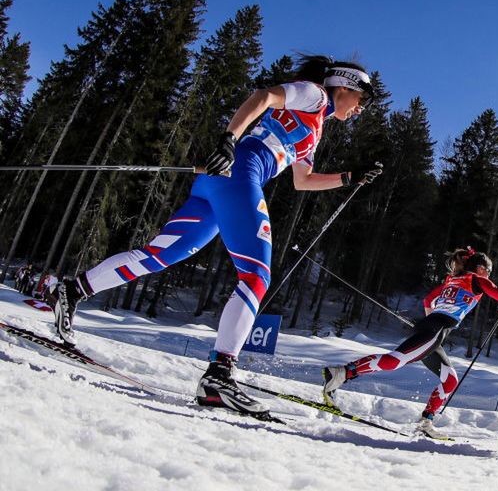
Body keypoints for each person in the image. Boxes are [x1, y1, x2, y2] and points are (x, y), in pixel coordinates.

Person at [52, 55, 380, 415]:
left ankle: (71, 290)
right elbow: (265, 96)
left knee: (158, 256)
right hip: (239, 172)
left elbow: (302, 182)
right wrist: (229, 139)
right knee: (256, 276)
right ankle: (219, 377)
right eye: (361, 101)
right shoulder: (315, 95)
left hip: (220, 180)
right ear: (345, 87)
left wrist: (349, 177)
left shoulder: (316, 124)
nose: (360, 111)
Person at [323, 249, 498, 438]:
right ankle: (341, 373)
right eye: (488, 271)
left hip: (433, 331)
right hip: (434, 331)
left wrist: (431, 321)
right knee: (395, 360)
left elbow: (429, 300)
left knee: (450, 380)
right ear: (481, 269)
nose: (488, 276)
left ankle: (425, 422)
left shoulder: (453, 280)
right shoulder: (477, 279)